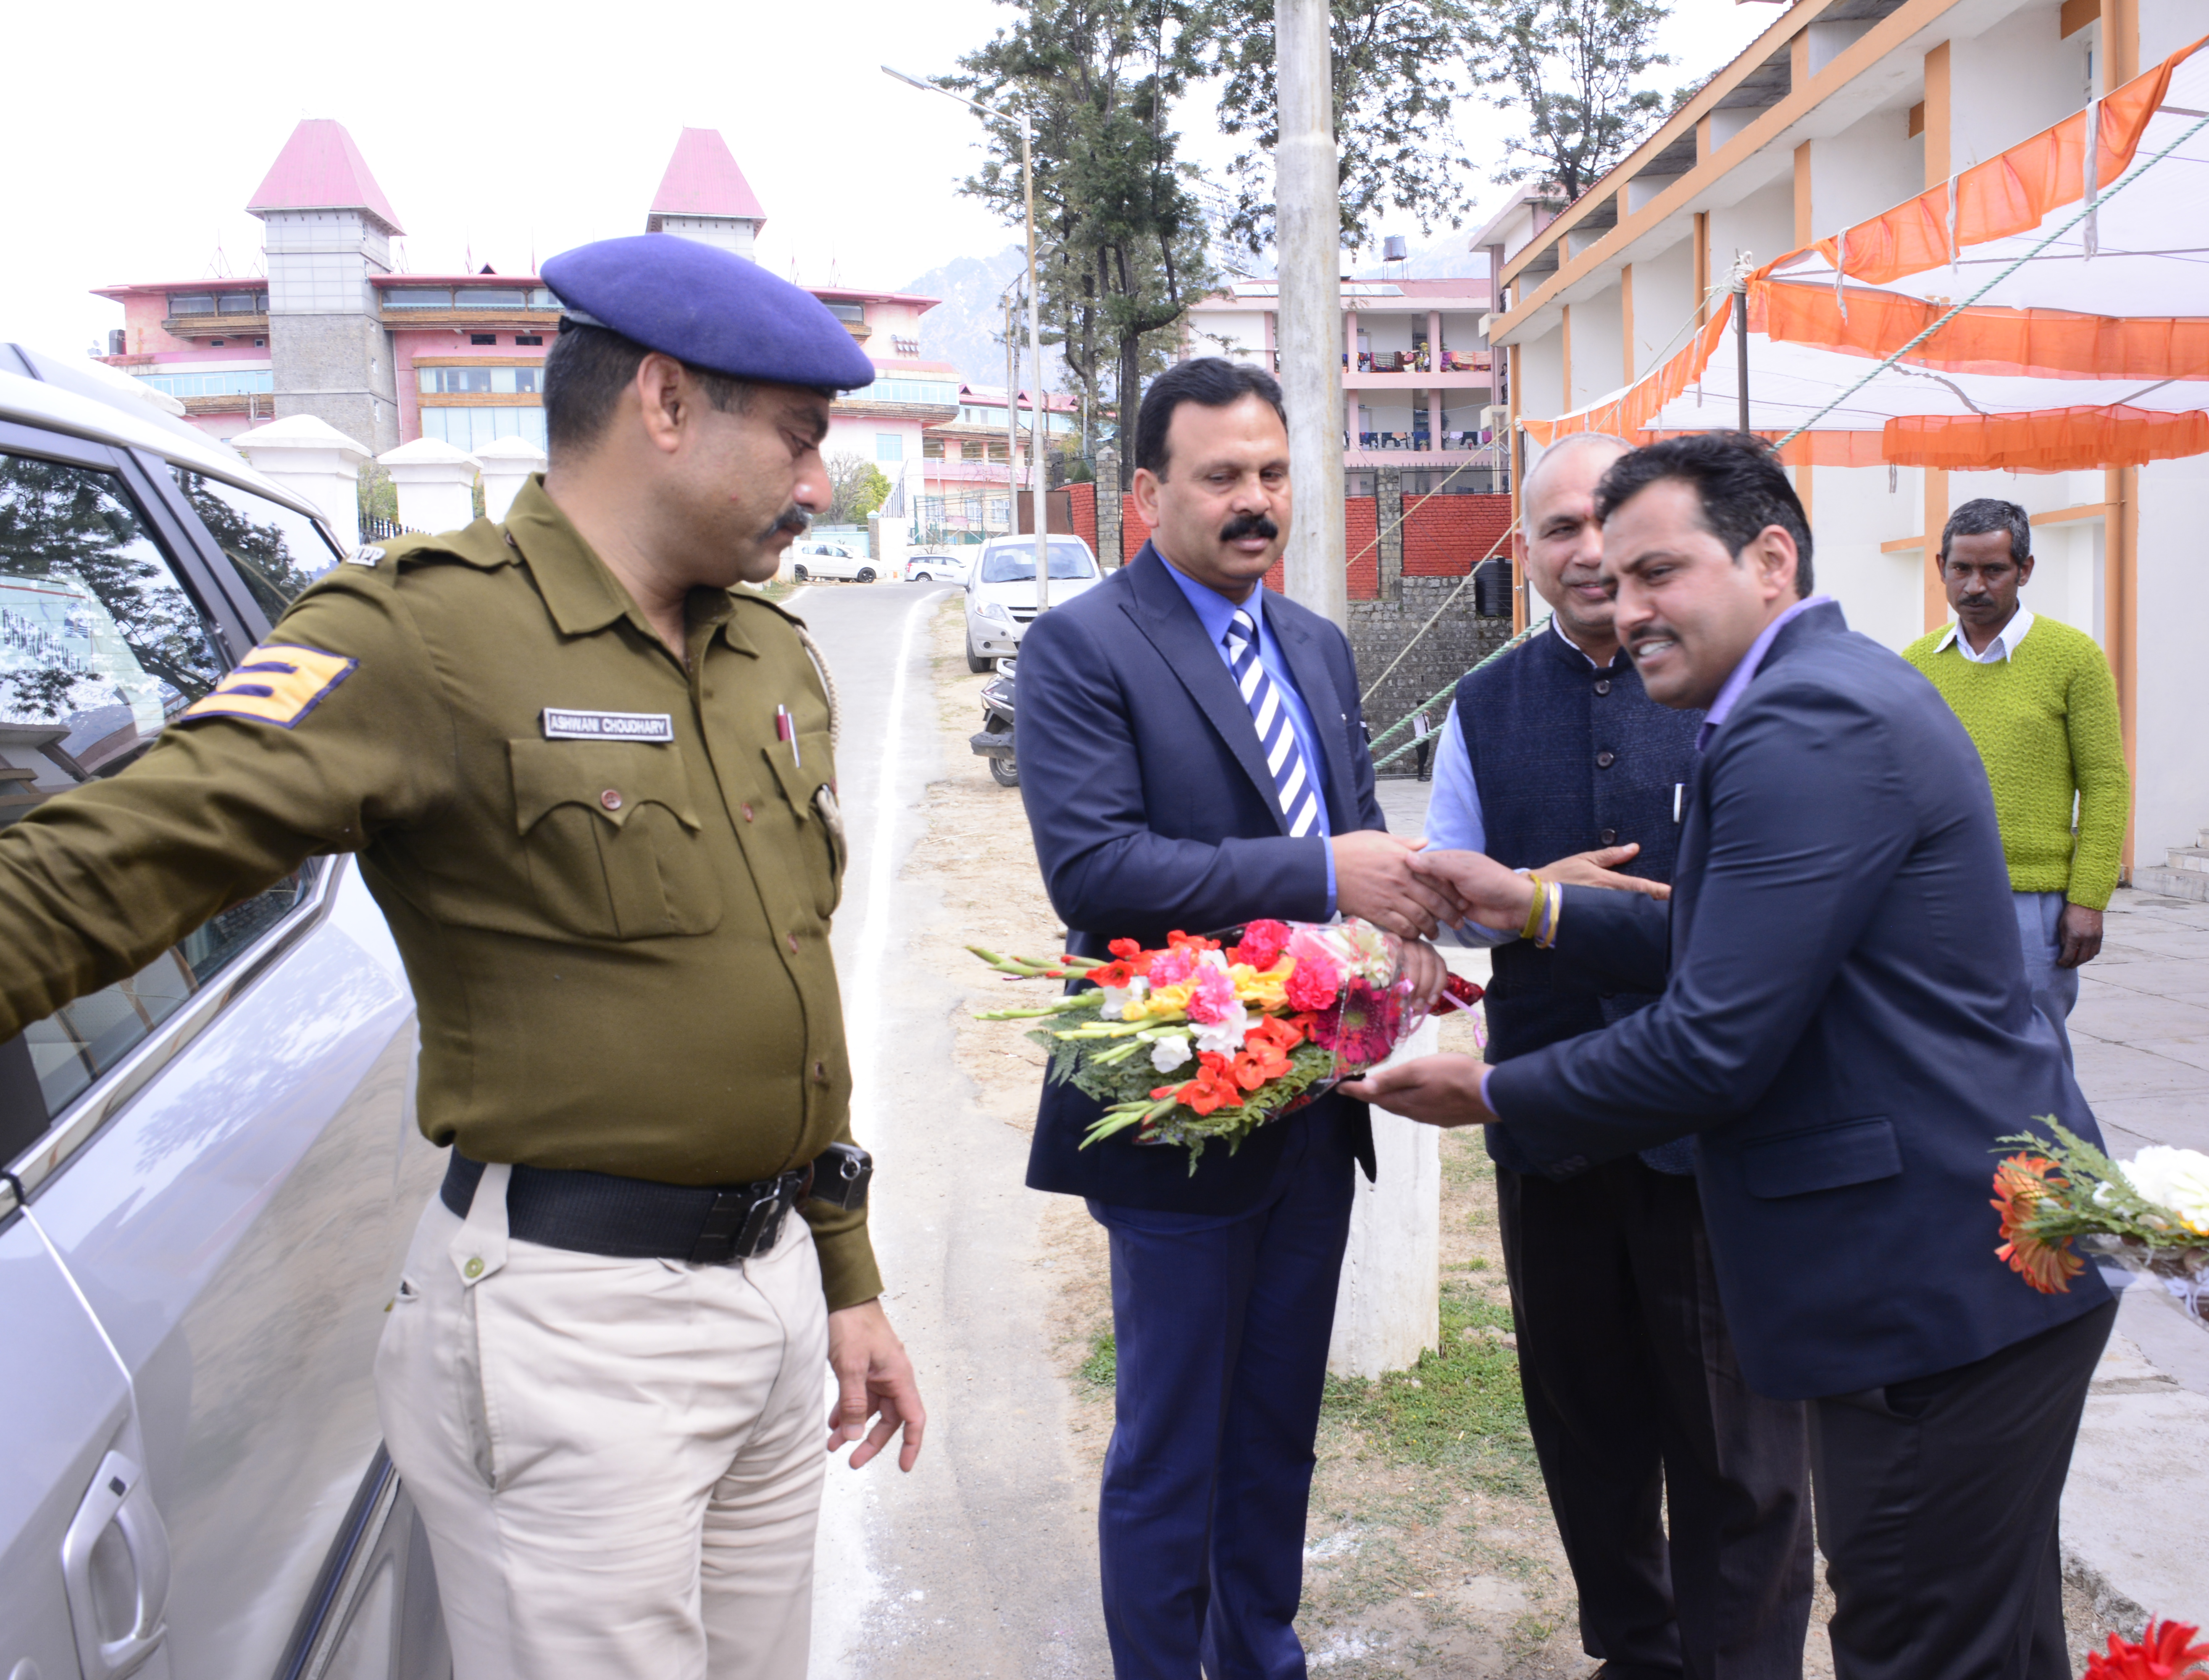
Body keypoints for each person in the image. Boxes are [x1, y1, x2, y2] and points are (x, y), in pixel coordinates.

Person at [0, 233, 924, 1677]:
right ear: (666, 405)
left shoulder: (768, 655)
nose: (820, 486)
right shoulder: (425, 637)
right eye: (800, 441)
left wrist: (845, 1272)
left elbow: (788, 990)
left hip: (772, 1299)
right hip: (574, 1329)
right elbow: (99, 874)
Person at [1350, 432, 2119, 1680]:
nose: (1628, 597)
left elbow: (1715, 1043)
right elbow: (1733, 944)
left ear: (1770, 558)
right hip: (1970, 1262)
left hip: (1930, 1282)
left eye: (1661, 569)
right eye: (1605, 562)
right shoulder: (1798, 697)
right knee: (1990, 1642)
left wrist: (1490, 1090)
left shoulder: (1802, 724)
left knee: (1918, 1639)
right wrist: (1538, 908)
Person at [1012, 357, 1455, 1680]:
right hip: (1177, 1102)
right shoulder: (1083, 646)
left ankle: (1262, 1656)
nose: (1255, 501)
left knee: (1274, 1431)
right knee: (1174, 1441)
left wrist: (1391, 932)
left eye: (1272, 473)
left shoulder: (1314, 643)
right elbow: (1095, 869)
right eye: (1222, 478)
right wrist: (1328, 872)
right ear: (1147, 495)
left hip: (1309, 1106)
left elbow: (1352, 840)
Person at [1422, 429, 1812, 1679]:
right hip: (1550, 1137)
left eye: (1606, 523)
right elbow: (1442, 895)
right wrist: (1540, 888)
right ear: (1524, 555)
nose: (1589, 553)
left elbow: (1756, 920)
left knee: (1735, 1450)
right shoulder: (1482, 707)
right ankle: (1634, 1653)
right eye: (1558, 532)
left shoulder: (1731, 689)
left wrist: (1538, 905)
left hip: (1712, 1138)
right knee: (1587, 1433)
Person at [1902, 497, 2127, 1062]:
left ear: (2025, 570)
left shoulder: (2074, 658)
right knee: (1938, 1054)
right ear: (1941, 569)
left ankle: (2045, 1156)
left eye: (1994, 570)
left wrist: (2089, 898)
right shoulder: (1914, 664)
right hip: (1934, 898)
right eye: (1962, 569)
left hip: (2034, 906)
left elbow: (2105, 782)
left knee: (2032, 1055)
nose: (1975, 586)